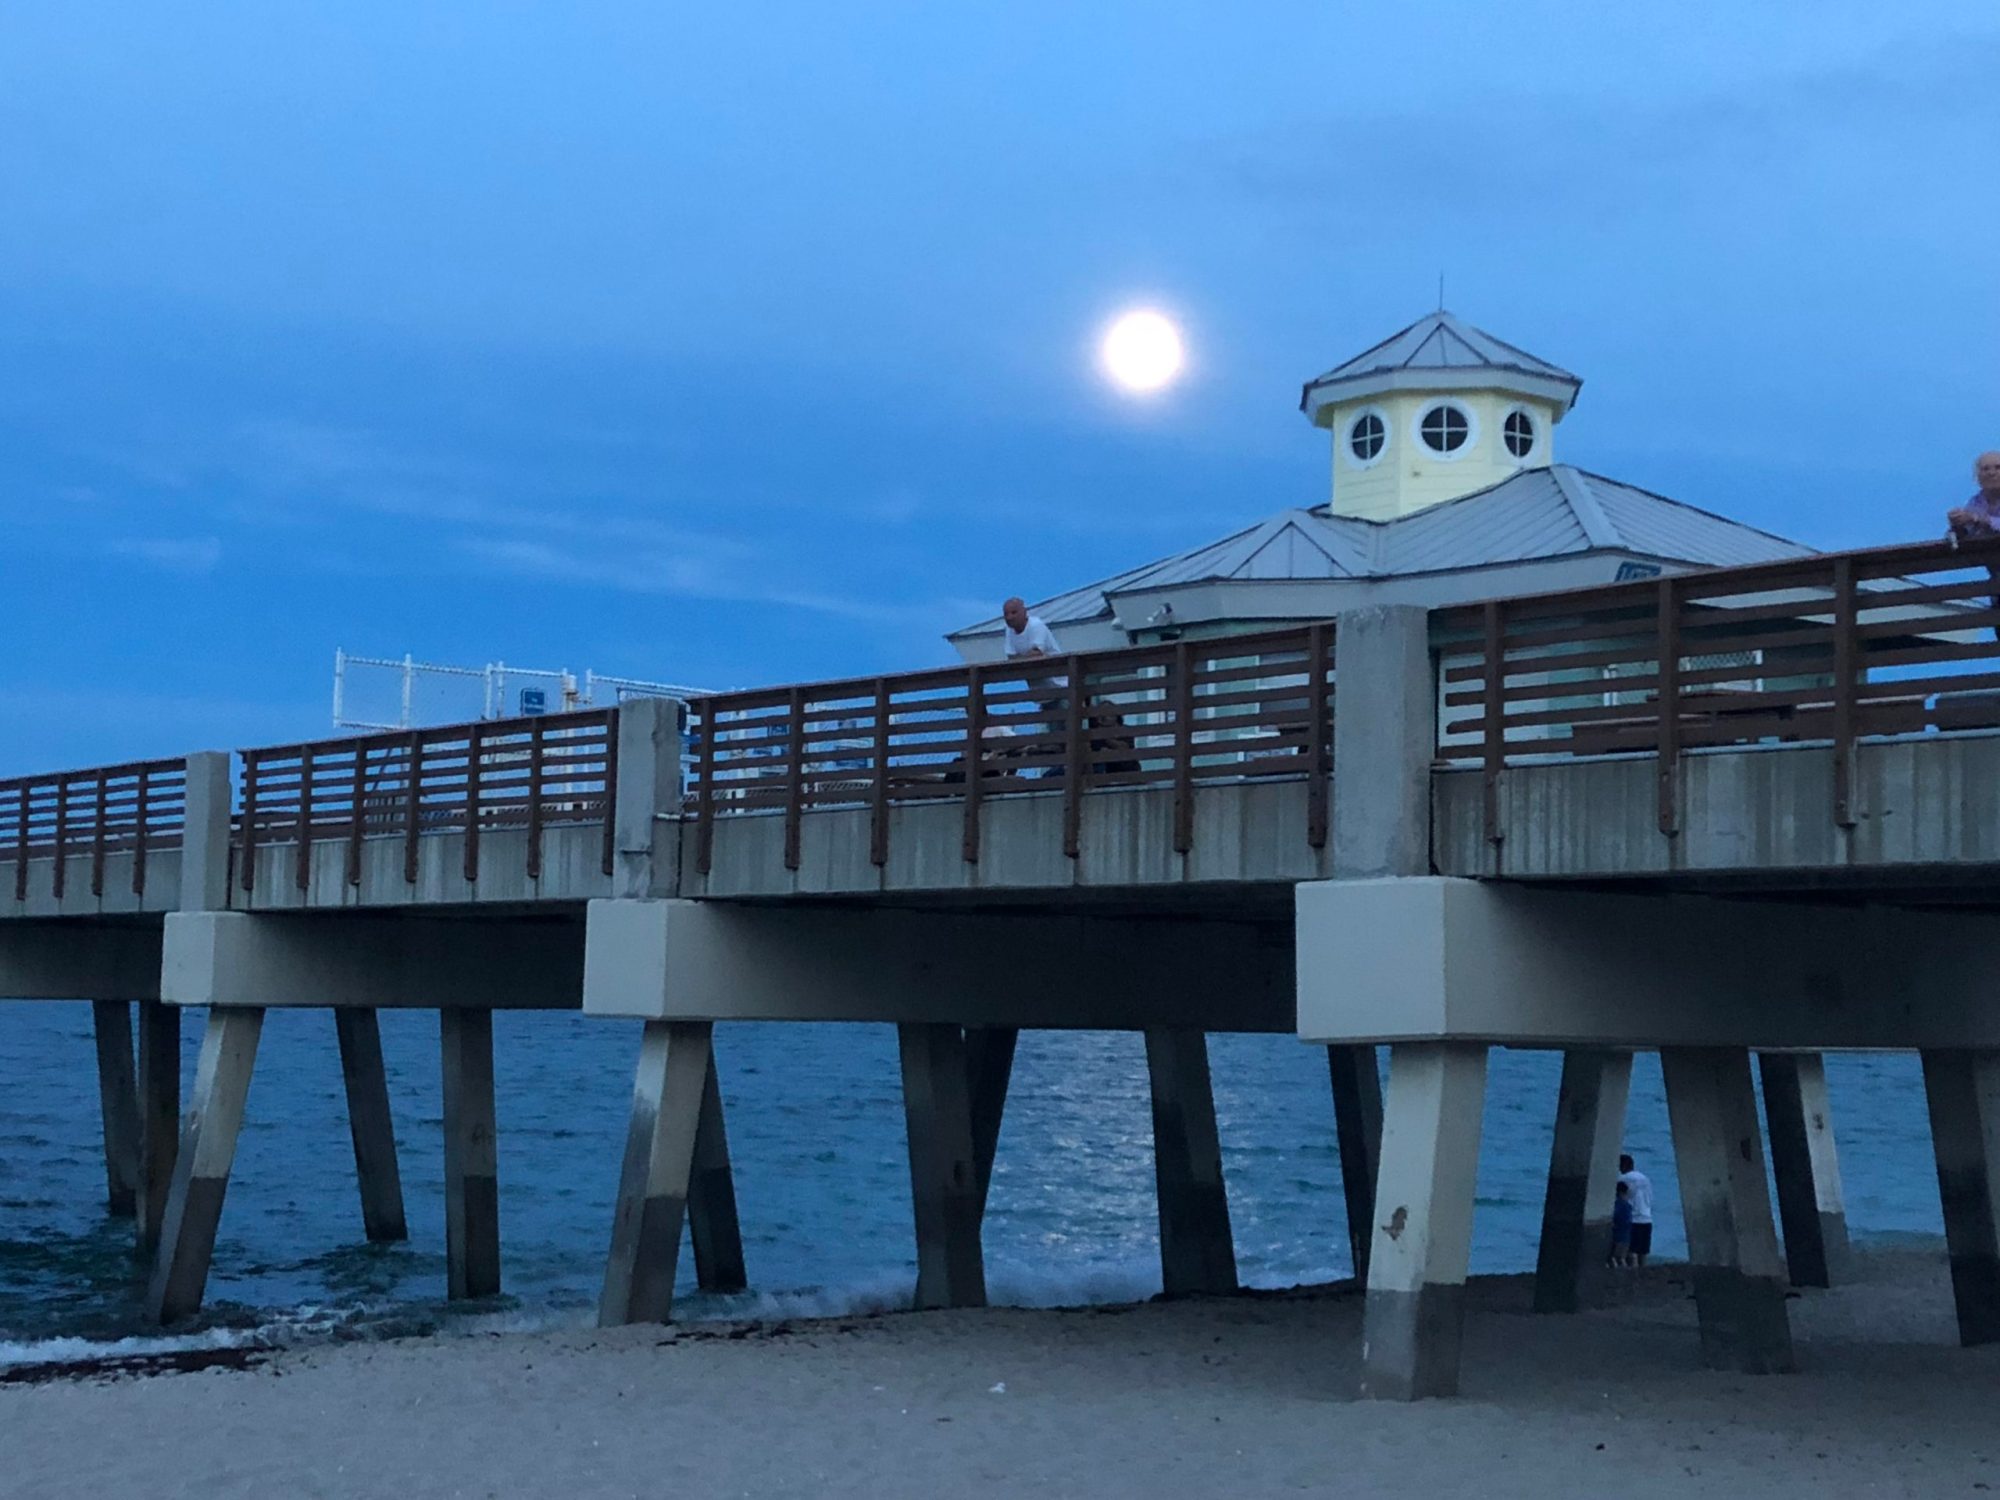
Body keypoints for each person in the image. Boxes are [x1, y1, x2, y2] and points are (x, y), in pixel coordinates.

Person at [1000, 597, 1070, 742]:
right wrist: (1026, 657)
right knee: (1053, 735)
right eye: (1006, 614)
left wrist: (1023, 658)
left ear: (1024, 612)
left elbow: (1036, 653)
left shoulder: (1036, 625)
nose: (1009, 617)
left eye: (1014, 612)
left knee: (1067, 731)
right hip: (1042, 692)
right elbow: (1011, 657)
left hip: (1061, 686)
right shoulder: (1009, 631)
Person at [1946, 451, 2000, 542]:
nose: (1991, 473)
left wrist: (1977, 518)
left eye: (1998, 468)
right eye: (1985, 469)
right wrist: (1957, 525)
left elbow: (1976, 519)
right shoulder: (1976, 502)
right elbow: (1968, 534)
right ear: (1977, 476)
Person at [1617, 1153, 1654, 1267]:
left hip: (1633, 1219)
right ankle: (1644, 1276)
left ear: (1622, 1166)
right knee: (1643, 1252)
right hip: (1647, 1218)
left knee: (1631, 1252)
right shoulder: (1645, 1178)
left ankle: (1632, 1278)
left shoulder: (1623, 1179)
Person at [1609, 1180, 1634, 1270]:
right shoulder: (1626, 1206)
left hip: (1618, 1233)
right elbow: (1628, 1220)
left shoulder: (1616, 1205)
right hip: (1625, 1234)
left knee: (1616, 1257)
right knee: (1621, 1257)